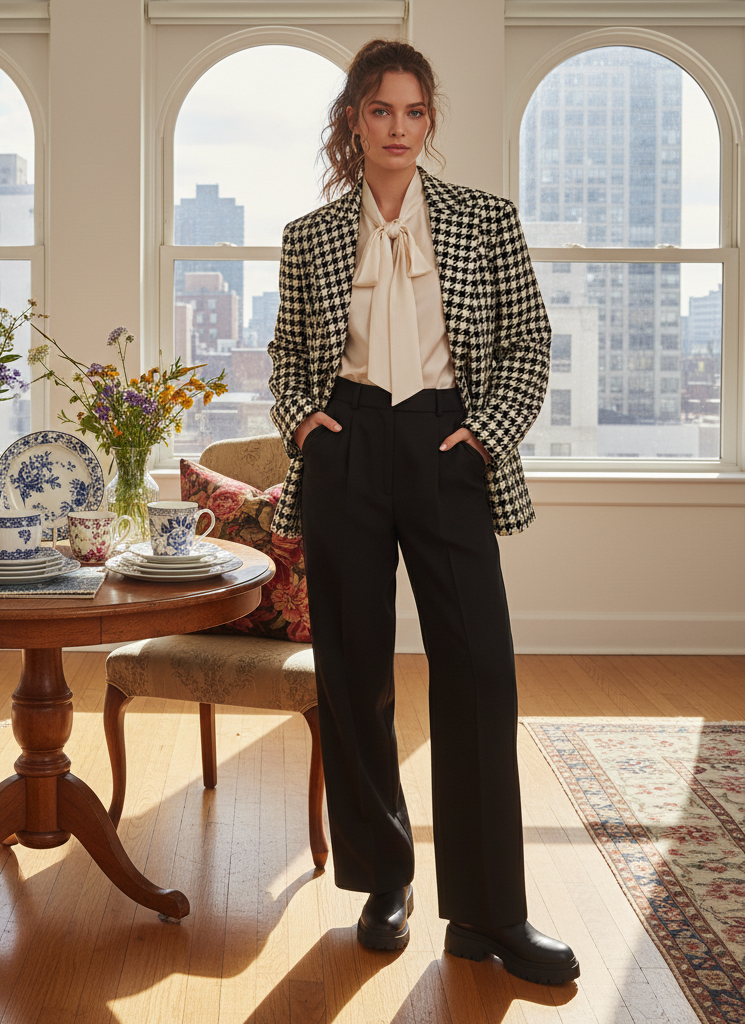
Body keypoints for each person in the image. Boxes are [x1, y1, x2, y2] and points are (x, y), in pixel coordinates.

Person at [267, 39, 579, 986]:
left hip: (450, 446)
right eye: (379, 112)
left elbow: (529, 337)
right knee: (354, 669)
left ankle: (491, 915)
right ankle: (382, 881)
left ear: (428, 122)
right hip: (347, 448)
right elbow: (286, 356)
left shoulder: (484, 221)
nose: (397, 128)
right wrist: (305, 426)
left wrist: (485, 431)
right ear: (352, 122)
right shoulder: (310, 236)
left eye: (413, 113)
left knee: (479, 674)